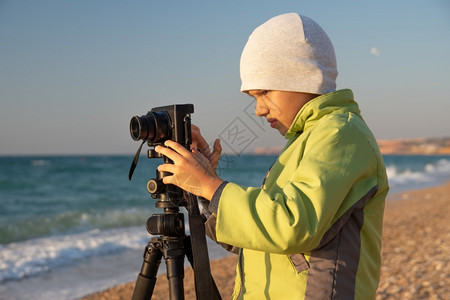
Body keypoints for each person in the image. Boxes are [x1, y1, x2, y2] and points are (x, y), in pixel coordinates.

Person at [155, 12, 389, 299]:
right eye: (254, 98)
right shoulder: (308, 140)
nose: (258, 109)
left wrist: (209, 184)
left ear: (303, 78)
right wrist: (206, 191)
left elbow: (290, 226)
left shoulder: (341, 135)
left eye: (264, 92)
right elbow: (260, 236)